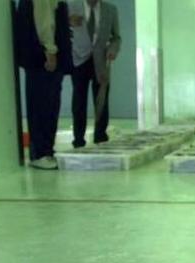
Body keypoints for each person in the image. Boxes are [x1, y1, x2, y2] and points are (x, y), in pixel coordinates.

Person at [15, 0, 72, 170]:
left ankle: (47, 150)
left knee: (51, 107)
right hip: (42, 59)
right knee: (40, 106)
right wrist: (50, 52)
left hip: (53, 61)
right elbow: (44, 26)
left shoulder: (57, 3)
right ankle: (39, 153)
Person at [69, 0, 120, 148]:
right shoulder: (71, 7)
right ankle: (78, 139)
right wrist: (68, 21)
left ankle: (100, 135)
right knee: (79, 100)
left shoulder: (111, 9)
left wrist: (113, 50)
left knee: (101, 98)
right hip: (79, 59)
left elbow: (116, 37)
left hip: (101, 60)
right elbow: (60, 29)